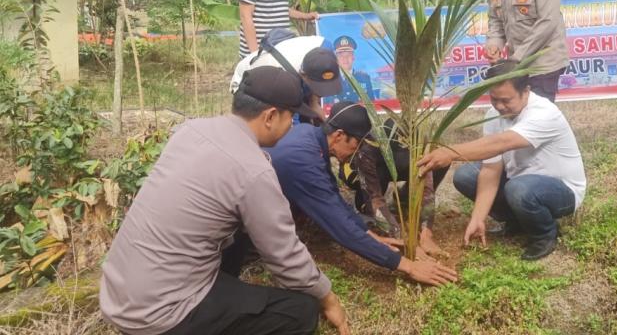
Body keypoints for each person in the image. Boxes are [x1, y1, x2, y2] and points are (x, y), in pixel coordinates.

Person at [100, 66, 349, 335]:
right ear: (271, 116)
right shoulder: (253, 170)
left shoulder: (191, 130)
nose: (291, 126)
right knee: (300, 312)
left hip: (118, 292)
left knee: (240, 231)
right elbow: (285, 256)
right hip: (161, 315)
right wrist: (327, 297)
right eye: (291, 117)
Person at [233, 102, 458, 286]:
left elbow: (334, 198)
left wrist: (373, 236)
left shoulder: (309, 135)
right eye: (356, 146)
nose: (356, 154)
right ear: (340, 135)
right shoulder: (302, 161)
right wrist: (407, 265)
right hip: (233, 229)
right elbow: (340, 229)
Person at [417, 60, 586, 260]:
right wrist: (478, 218)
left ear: (526, 91)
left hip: (561, 190)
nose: (499, 106)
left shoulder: (544, 113)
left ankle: (544, 233)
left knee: (519, 189)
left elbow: (501, 142)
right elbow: (491, 169)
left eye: (506, 100)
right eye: (494, 99)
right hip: (519, 183)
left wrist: (450, 152)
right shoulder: (494, 116)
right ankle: (516, 221)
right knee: (466, 175)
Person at [338, 119, 449, 257]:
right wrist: (402, 238)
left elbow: (426, 187)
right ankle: (372, 211)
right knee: (368, 209)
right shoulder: (367, 148)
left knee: (440, 163)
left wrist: (426, 232)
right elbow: (375, 201)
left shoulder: (419, 142)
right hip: (369, 170)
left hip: (399, 164)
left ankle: (402, 200)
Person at [230, 28, 341, 122]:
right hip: (246, 81)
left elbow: (313, 104)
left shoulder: (327, 49)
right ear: (303, 76)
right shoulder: (285, 79)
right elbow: (290, 120)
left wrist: (327, 126)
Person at [329, 35, 375, 103]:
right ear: (336, 58)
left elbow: (371, 104)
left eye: (348, 55)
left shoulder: (364, 78)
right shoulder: (330, 80)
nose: (345, 58)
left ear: (353, 57)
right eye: (341, 55)